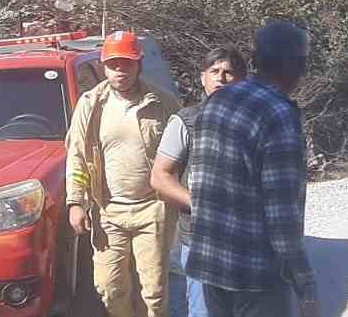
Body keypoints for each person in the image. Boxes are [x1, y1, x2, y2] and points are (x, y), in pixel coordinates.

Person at [187, 22, 320, 317]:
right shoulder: (278, 113)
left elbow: (199, 185)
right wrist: (306, 288)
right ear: (296, 65)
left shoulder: (216, 103)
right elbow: (282, 215)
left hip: (211, 267)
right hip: (256, 275)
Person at [67, 30, 182, 317]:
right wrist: (75, 202)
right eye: (114, 63)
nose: (120, 70)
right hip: (108, 212)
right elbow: (77, 157)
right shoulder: (90, 105)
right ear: (104, 66)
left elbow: (183, 156)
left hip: (153, 209)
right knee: (109, 287)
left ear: (139, 65)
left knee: (153, 291)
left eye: (127, 63)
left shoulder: (164, 103)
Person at [153, 47, 247, 317]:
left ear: (242, 80)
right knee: (205, 311)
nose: (221, 78)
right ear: (202, 77)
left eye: (229, 72)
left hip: (246, 238)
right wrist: (197, 203)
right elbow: (160, 176)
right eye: (214, 71)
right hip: (200, 238)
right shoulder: (185, 122)